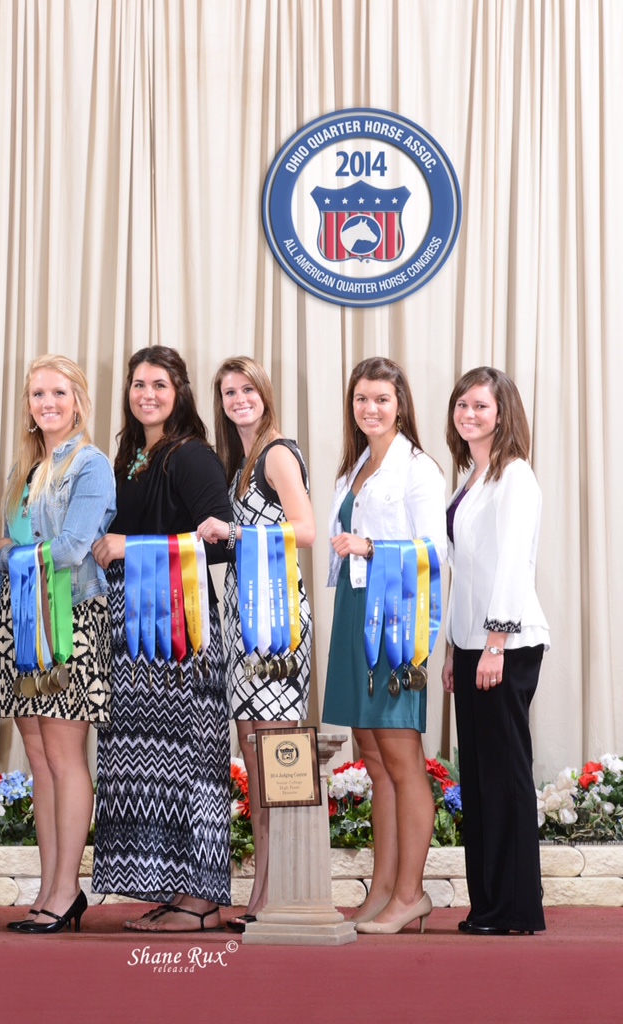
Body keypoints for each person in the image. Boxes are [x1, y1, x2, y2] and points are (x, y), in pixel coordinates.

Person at [90, 347, 234, 933]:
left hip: (183, 628)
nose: (146, 394)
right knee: (153, 764)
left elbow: (221, 543)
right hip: (135, 634)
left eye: (159, 384)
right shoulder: (132, 456)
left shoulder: (193, 455)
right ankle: (177, 889)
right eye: (138, 384)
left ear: (180, 391)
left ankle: (203, 899)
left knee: (192, 759)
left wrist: (132, 546)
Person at [0, 354, 115, 935]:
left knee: (64, 758)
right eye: (37, 394)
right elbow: (6, 566)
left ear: (78, 400)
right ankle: (47, 887)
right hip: (20, 622)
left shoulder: (91, 466)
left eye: (58, 393)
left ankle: (67, 891)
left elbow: (71, 548)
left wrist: (2, 551)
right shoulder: (25, 469)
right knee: (38, 763)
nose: (47, 403)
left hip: (70, 622)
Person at [320, 356, 447, 935]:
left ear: (401, 404)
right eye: (361, 399)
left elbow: (435, 553)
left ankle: (411, 894)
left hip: (393, 623)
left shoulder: (418, 468)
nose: (370, 409)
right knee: (373, 761)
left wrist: (372, 545)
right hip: (353, 613)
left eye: (381, 399)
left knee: (403, 761)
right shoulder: (357, 466)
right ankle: (382, 889)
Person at [195, 356, 316, 932]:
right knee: (255, 757)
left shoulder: (276, 454)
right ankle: (265, 895)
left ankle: (279, 895)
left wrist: (235, 530)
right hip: (244, 623)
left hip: (277, 625)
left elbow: (308, 531)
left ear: (265, 395)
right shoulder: (240, 461)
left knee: (274, 760)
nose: (238, 399)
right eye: (228, 392)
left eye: (247, 389)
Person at [442, 367, 549, 936]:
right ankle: (487, 905)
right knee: (479, 776)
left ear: (502, 413)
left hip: (505, 643)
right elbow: (466, 571)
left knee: (504, 774)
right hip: (472, 643)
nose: (469, 415)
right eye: (462, 405)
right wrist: (453, 652)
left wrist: (494, 643)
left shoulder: (515, 477)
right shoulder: (471, 478)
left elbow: (511, 564)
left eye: (481, 406)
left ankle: (514, 910)